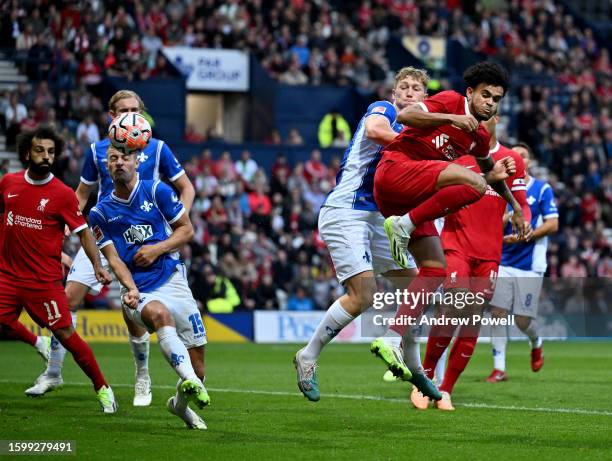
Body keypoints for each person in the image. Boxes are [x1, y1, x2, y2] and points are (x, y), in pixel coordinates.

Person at [26, 90, 195, 407]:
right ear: (111, 115)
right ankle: (53, 372)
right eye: (122, 110)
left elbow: (187, 188)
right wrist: (63, 223)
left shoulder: (157, 148)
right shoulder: (97, 151)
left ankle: (142, 374)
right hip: (103, 232)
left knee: (132, 310)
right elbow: (81, 194)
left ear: (142, 113)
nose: (129, 115)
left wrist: (175, 221)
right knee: (68, 299)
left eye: (135, 109)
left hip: (141, 239)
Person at [370, 61, 529, 379]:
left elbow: (490, 173)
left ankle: (391, 338)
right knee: (472, 183)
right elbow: (404, 116)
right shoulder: (451, 101)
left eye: (496, 99)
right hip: (393, 172)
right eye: (486, 95)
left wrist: (515, 206)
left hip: (411, 199)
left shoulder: (480, 140)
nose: (490, 103)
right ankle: (405, 224)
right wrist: (452, 117)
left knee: (434, 270)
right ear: (470, 93)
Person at [294, 67, 440, 402]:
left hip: (380, 217)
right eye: (402, 86)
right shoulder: (384, 111)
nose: (408, 91)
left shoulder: (422, 132)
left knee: (416, 290)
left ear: (425, 99)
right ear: (393, 94)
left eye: (416, 88)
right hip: (348, 210)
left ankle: (416, 371)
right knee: (365, 295)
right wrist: (422, 152)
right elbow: (375, 131)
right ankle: (308, 355)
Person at [413, 115, 532, 411]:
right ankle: (425, 377)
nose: (484, 117)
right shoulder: (458, 154)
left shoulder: (512, 158)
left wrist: (524, 222)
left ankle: (446, 390)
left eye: (491, 111)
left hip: (489, 253)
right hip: (456, 246)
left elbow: (522, 203)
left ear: (498, 119)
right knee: (453, 306)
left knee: (471, 319)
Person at [89, 144, 209, 429]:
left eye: (125, 158)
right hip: (138, 291)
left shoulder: (158, 191)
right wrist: (129, 287)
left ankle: (179, 405)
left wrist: (157, 249)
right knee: (159, 316)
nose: (119, 163)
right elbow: (114, 259)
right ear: (107, 167)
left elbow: (187, 230)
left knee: (200, 369)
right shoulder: (100, 213)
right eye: (113, 159)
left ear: (136, 163)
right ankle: (189, 381)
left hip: (172, 279)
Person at [0, 126, 116, 413]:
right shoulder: (8, 183)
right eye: (40, 150)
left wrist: (98, 266)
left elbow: (84, 233)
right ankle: (37, 342)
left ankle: (102, 387)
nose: (46, 156)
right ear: (27, 153)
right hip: (8, 276)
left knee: (66, 335)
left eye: (51, 152)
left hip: (43, 282)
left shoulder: (62, 194)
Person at [486, 142, 558, 382]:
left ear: (528, 162)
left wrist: (526, 235)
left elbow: (552, 224)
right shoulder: (498, 187)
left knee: (522, 319)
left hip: (530, 264)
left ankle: (536, 341)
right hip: (503, 260)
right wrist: (503, 218)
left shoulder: (541, 189)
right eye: (513, 155)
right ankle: (499, 368)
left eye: (523, 156)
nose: (517, 158)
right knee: (497, 312)